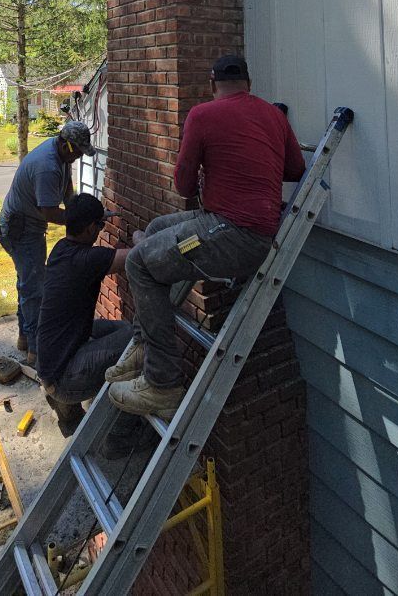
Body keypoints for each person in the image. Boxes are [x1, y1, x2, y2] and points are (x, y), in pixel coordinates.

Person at [106, 54, 306, 421]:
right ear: (248, 81)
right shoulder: (273, 116)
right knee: (153, 231)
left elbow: (183, 185)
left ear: (212, 82)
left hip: (234, 234)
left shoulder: (202, 115)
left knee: (139, 262)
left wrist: (208, 168)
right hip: (227, 223)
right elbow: (295, 168)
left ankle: (162, 385)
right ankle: (143, 343)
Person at [36, 193, 150, 456]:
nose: (101, 230)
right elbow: (137, 256)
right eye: (100, 226)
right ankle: (119, 437)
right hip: (63, 379)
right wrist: (140, 238)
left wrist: (101, 216)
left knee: (124, 330)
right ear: (89, 228)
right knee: (139, 346)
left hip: (50, 363)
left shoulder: (61, 249)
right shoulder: (89, 259)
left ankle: (66, 409)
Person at [0, 120, 95, 365]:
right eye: (78, 152)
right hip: (21, 229)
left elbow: (68, 194)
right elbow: (50, 212)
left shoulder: (62, 157)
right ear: (66, 144)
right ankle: (36, 350)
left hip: (28, 224)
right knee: (34, 287)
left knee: (28, 281)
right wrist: (79, 221)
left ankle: (24, 337)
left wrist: (81, 208)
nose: (78, 157)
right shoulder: (47, 166)